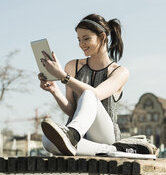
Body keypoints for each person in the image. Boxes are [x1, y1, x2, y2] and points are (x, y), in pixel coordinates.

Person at [38, 13, 130, 157]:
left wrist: (63, 76)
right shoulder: (72, 66)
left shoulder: (120, 72)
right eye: (79, 39)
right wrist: (54, 90)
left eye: (86, 38)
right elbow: (72, 110)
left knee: (89, 94)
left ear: (103, 37)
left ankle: (72, 135)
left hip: (105, 135)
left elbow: (96, 94)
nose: (81, 44)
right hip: (85, 140)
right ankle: (111, 151)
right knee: (47, 141)